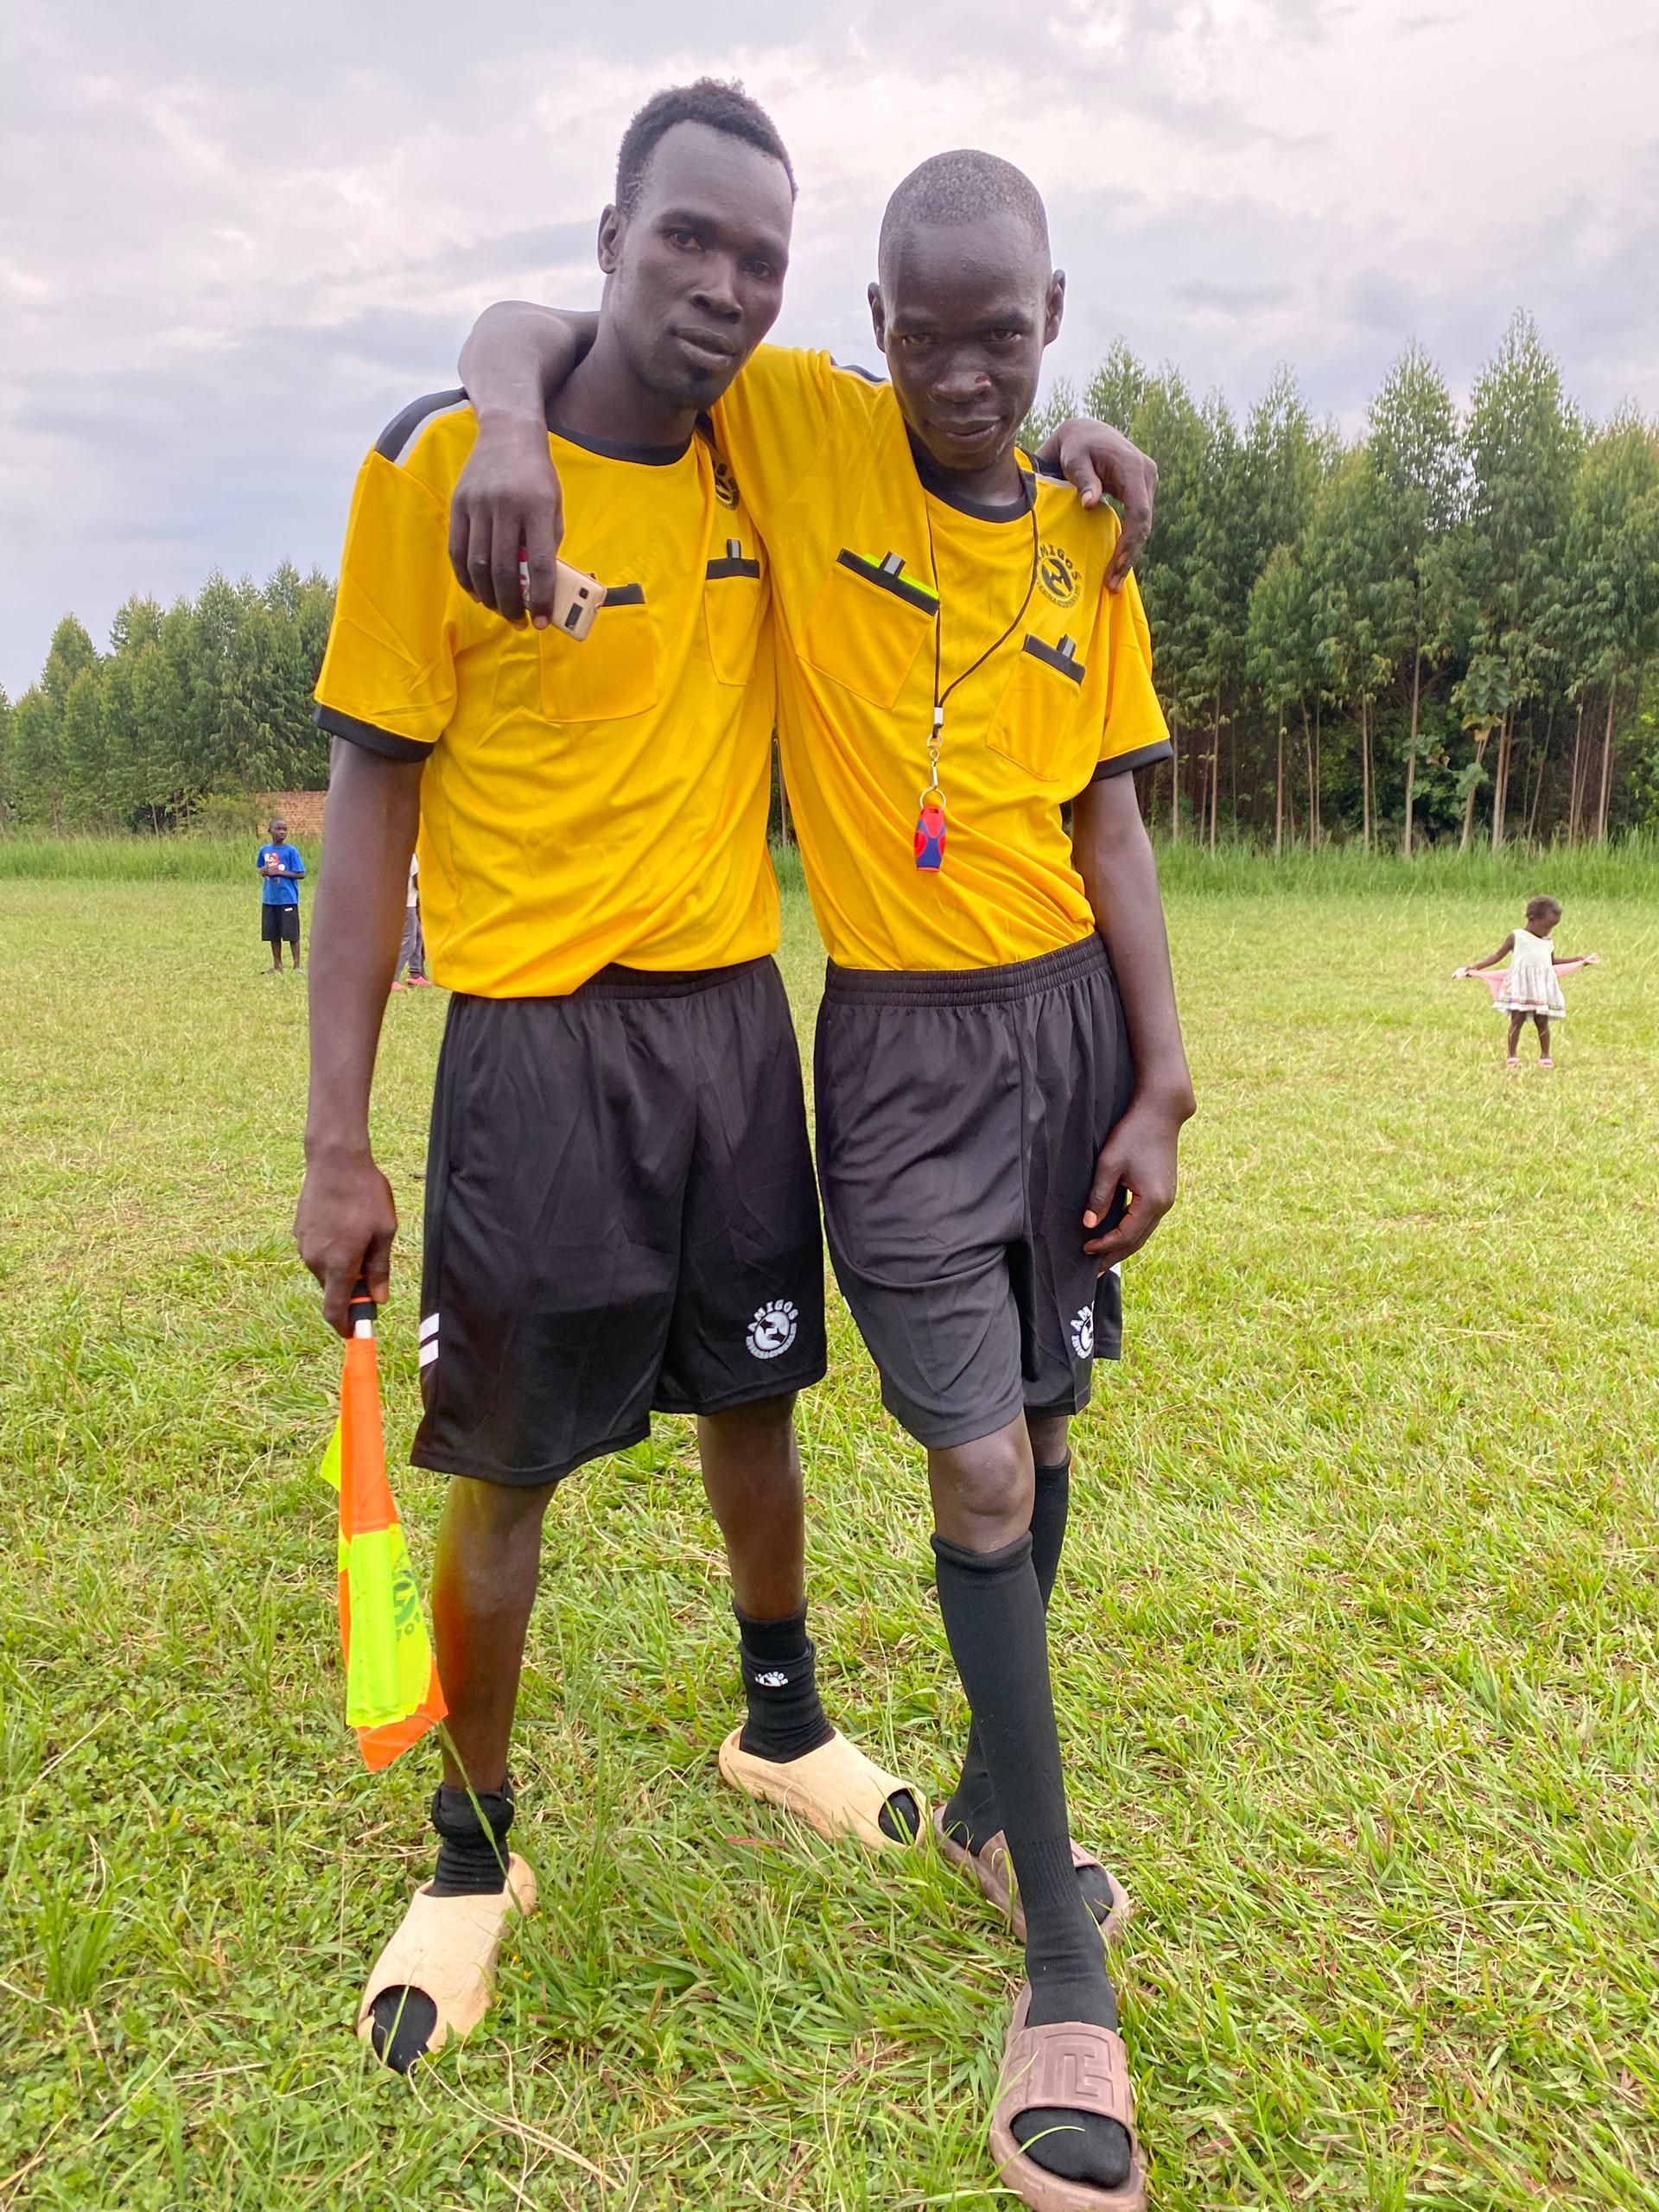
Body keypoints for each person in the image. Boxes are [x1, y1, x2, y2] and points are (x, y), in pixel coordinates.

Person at [454, 142, 1192, 2212]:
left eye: (1011, 334)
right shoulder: (796, 427)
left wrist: (1162, 1072)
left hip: (1069, 1036)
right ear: (869, 329)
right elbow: (541, 322)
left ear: (1056, 319)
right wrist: (505, 418)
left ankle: (984, 1796)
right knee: (972, 1472)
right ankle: (1059, 1960)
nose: (968, 375)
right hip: (889, 1050)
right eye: (929, 336)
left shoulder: (1081, 526)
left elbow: (1115, 823)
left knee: (1043, 1439)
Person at [296, 82, 932, 2080]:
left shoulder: (761, 439)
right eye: (690, 240)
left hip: (733, 1023)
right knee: (512, 1466)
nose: (727, 286)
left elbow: (962, 395)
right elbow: (369, 807)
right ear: (610, 232)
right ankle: (473, 1853)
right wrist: (335, 1139)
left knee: (761, 1399)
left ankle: (780, 1718)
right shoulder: (435, 473)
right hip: (534, 1049)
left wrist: (1089, 433)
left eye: (760, 252)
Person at [1456, 895, 1599, 1068]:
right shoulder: (1517, 937)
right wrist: (1475, 968)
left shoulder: (1548, 943)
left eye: (1552, 928)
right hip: (1520, 987)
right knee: (1517, 1019)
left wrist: (1579, 961)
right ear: (1532, 919)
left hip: (1540, 989)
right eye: (1546, 926)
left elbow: (1552, 962)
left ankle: (1545, 1056)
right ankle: (1512, 1056)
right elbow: (1497, 956)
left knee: (1542, 1021)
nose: (1548, 931)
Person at [255, 817, 306, 972]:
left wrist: (280, 872)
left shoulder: (291, 851)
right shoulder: (265, 850)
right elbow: (261, 868)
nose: (282, 832)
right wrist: (263, 872)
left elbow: (301, 874)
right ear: (270, 831)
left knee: (291, 933)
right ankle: (277, 966)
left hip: (287, 899)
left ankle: (297, 966)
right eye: (278, 829)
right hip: (270, 899)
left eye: (285, 829)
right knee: (273, 933)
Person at [390, 854, 431, 990]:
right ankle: (392, 978)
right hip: (407, 904)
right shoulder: (411, 856)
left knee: (419, 937)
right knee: (409, 942)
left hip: (408, 902)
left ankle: (416, 974)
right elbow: (416, 881)